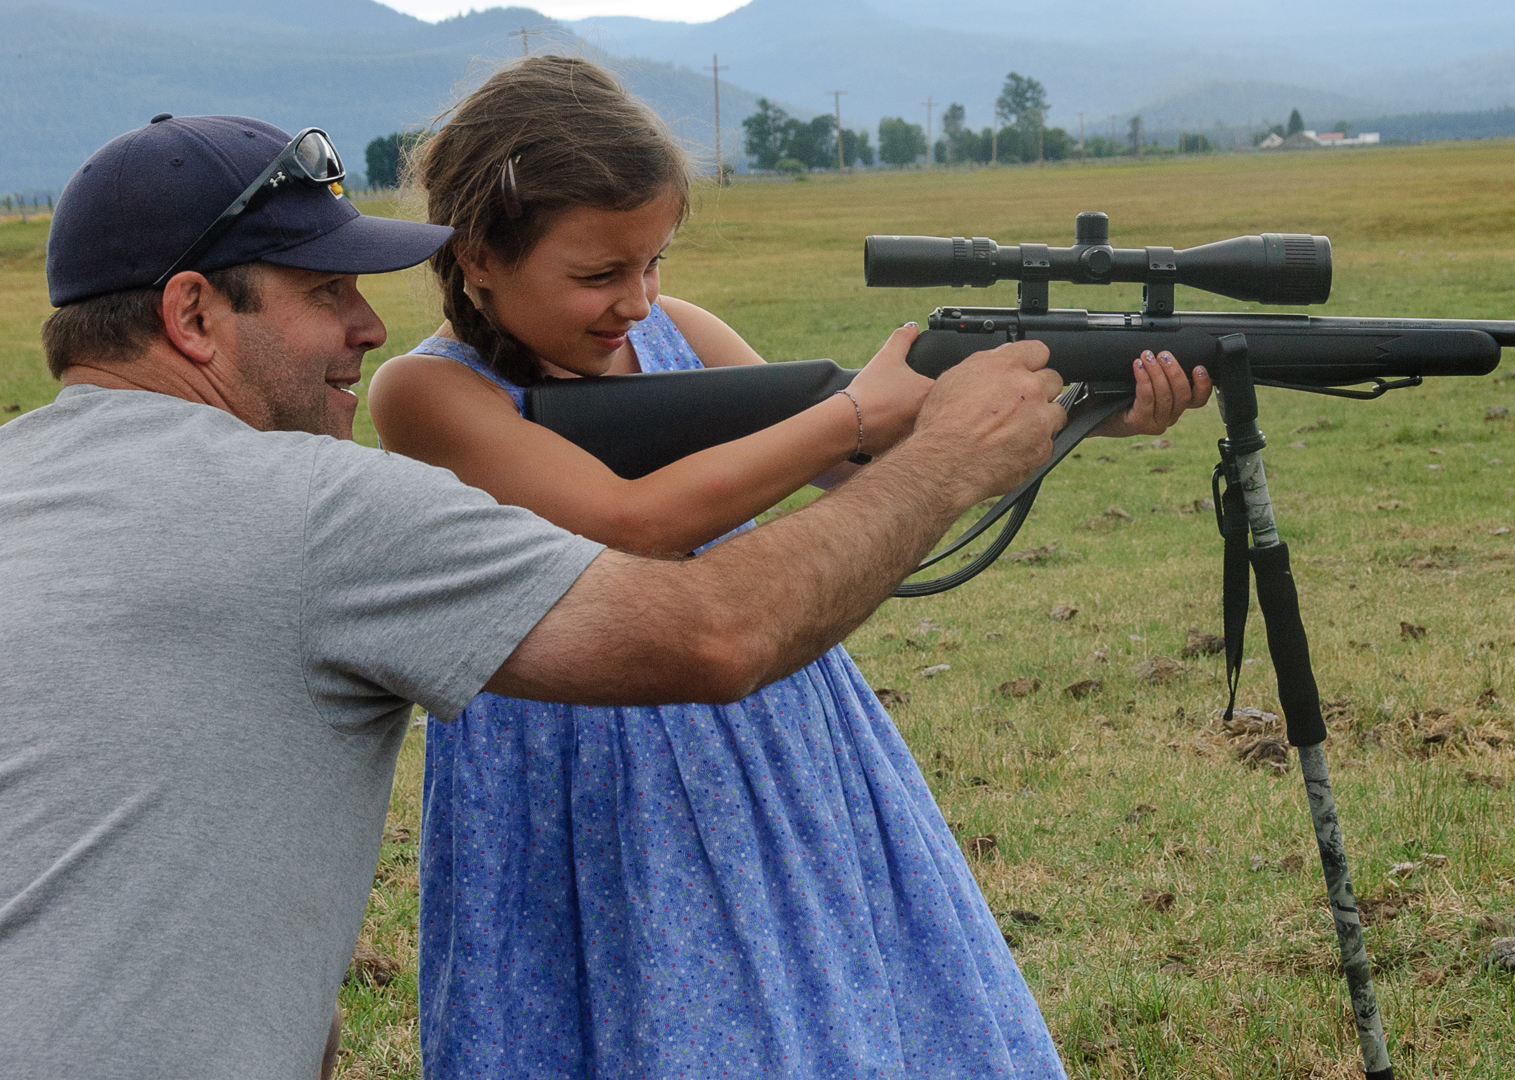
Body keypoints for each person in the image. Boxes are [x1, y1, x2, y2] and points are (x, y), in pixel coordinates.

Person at [0, 114, 1066, 1080]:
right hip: (607, 731)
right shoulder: (335, 488)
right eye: (327, 292)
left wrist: (1074, 399)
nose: (369, 328)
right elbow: (695, 606)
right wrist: (869, 426)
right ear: (192, 312)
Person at [366, 57, 1212, 1080]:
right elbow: (631, 523)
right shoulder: (427, 394)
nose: (637, 301)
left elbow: (868, 465)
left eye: (654, 264)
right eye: (597, 274)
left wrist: (1082, 409)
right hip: (576, 772)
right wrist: (854, 410)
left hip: (771, 739)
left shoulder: (685, 335)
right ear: (479, 256)